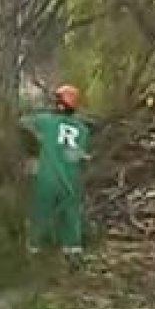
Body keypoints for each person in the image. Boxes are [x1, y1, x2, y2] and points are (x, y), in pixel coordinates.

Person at [22, 84, 91, 258]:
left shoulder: (46, 121)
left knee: (41, 213)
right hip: (71, 179)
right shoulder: (83, 129)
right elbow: (79, 155)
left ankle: (34, 250)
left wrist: (38, 136)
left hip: (49, 176)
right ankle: (72, 252)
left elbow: (23, 122)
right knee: (70, 215)